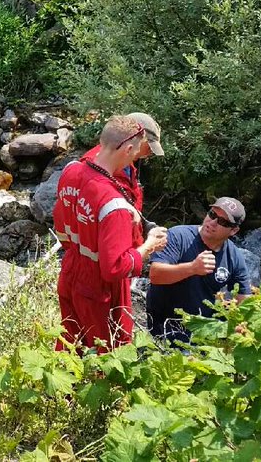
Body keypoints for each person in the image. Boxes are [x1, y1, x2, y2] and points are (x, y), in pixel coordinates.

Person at [54, 115, 168, 352]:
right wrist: (148, 245)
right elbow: (114, 267)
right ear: (128, 148)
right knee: (109, 351)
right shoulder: (113, 203)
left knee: (70, 343)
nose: (141, 156)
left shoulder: (72, 171)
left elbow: (62, 227)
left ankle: (64, 388)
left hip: (72, 269)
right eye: (139, 150)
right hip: (100, 286)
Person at [146, 197, 253, 343]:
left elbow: (245, 300)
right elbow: (155, 274)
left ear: (233, 230)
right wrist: (192, 268)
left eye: (222, 222)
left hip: (203, 332)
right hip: (165, 325)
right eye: (212, 214)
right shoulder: (178, 236)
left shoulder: (234, 256)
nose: (213, 222)